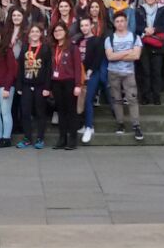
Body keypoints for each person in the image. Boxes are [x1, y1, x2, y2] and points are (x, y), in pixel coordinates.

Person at [105, 10, 145, 142]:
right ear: (114, 23)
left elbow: (136, 56)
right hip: (113, 72)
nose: (120, 23)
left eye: (122, 21)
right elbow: (110, 57)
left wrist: (119, 54)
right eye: (117, 21)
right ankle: (120, 123)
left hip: (129, 73)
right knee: (116, 99)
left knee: (132, 99)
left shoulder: (135, 37)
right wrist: (128, 51)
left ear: (126, 22)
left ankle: (136, 125)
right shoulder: (109, 38)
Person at [47, 21, 82, 151]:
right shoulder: (53, 48)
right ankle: (62, 138)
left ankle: (72, 139)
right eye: (55, 31)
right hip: (56, 82)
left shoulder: (72, 47)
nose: (57, 33)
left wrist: (78, 85)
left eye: (60, 30)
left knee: (71, 111)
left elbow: (78, 67)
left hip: (69, 82)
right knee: (60, 111)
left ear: (65, 32)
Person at [15, 24, 50, 149]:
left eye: (37, 31)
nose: (34, 34)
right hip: (26, 85)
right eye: (32, 31)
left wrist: (47, 87)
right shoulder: (25, 47)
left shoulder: (45, 48)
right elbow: (20, 68)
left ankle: (40, 138)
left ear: (41, 33)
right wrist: (18, 85)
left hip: (40, 85)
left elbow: (48, 69)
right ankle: (27, 138)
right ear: (29, 34)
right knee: (25, 112)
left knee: (40, 112)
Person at [76, 16, 107, 144]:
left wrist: (90, 71)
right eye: (82, 25)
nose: (84, 28)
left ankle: (89, 127)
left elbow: (98, 57)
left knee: (88, 99)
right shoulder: (78, 40)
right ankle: (85, 124)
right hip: (80, 74)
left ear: (91, 26)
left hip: (92, 74)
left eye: (86, 25)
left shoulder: (97, 40)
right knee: (81, 100)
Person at [139, 0, 164, 105]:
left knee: (156, 71)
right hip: (144, 43)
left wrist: (154, 29)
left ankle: (156, 96)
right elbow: (136, 26)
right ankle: (146, 97)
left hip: (157, 43)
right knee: (145, 71)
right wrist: (145, 29)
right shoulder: (140, 9)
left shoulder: (163, 10)